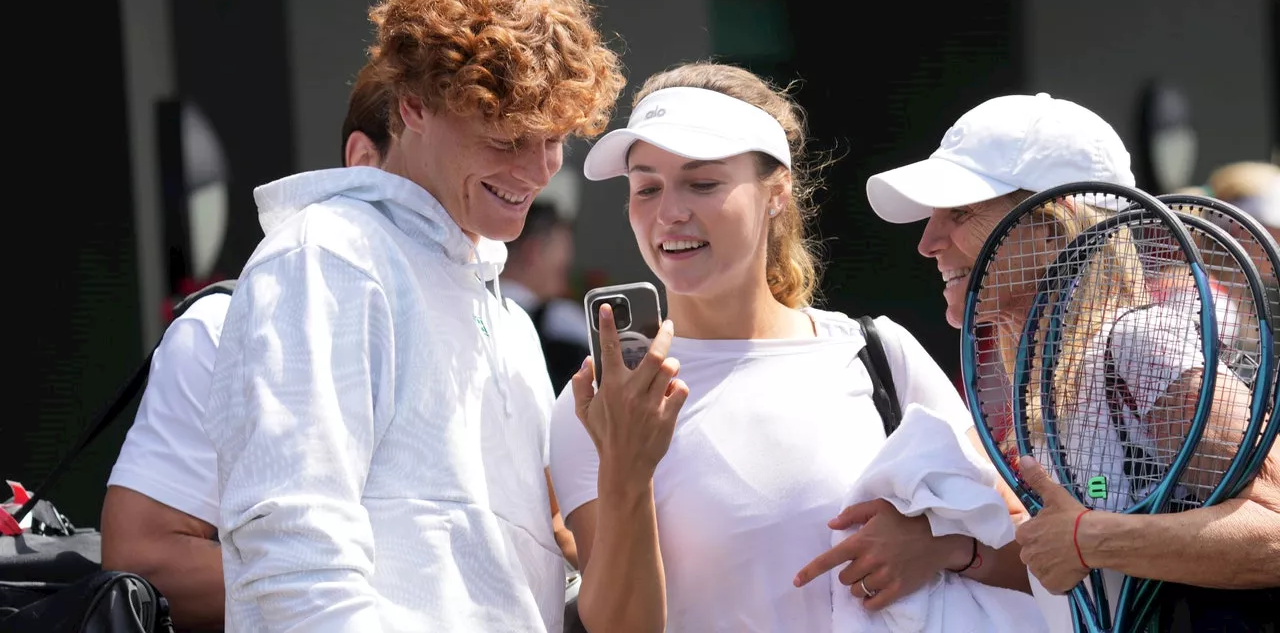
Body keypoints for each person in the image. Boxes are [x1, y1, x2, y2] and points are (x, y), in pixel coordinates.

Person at [203, 0, 622, 632]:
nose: (538, 169)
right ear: (414, 106)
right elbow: (293, 566)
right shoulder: (328, 256)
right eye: (506, 136)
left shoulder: (506, 318)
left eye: (554, 139)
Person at [548, 62, 1033, 633]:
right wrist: (626, 468)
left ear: (776, 194)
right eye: (646, 187)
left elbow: (1029, 551)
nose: (669, 212)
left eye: (702, 183)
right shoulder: (598, 405)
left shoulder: (879, 354)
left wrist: (942, 546)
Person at [866, 92, 1280, 632]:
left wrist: (1091, 537)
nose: (928, 242)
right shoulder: (1056, 371)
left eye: (960, 213)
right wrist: (954, 552)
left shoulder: (1141, 343)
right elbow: (1071, 572)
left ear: (1054, 220)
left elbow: (1273, 532)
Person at [99, 62, 397, 632]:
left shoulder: (502, 332)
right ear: (364, 162)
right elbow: (146, 560)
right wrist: (375, 592)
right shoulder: (222, 327)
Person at [502, 199, 592, 393]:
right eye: (562, 270)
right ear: (532, 252)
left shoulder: (460, 304)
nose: (564, 284)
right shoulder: (559, 318)